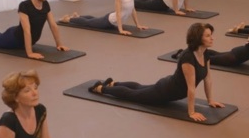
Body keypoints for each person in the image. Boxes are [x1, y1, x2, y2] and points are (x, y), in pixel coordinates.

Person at [90, 22, 224, 122]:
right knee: (133, 95)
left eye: (211, 35)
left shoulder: (205, 54)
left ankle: (114, 83)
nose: (212, 38)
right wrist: (191, 112)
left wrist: (210, 100)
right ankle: (101, 88)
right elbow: (191, 87)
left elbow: (208, 78)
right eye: (208, 36)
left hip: (169, 87)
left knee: (140, 87)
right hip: (164, 92)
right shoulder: (188, 57)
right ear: (198, 38)